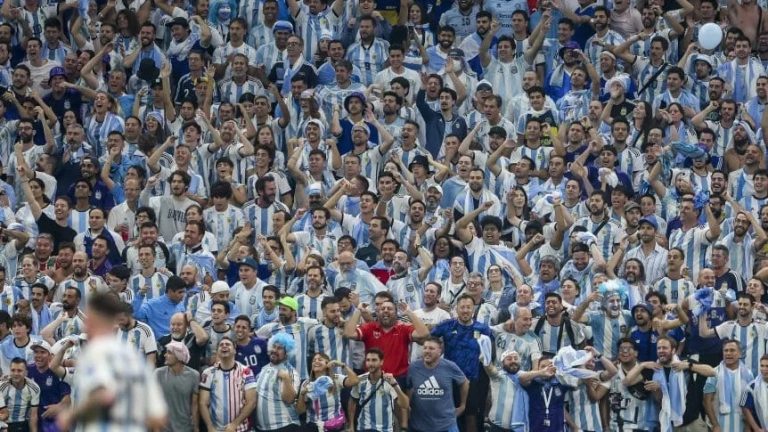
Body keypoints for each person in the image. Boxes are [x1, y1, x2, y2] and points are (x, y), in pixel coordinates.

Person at [56, 293, 168, 431]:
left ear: (92, 320)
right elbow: (158, 416)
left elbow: (103, 395)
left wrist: (71, 414)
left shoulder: (96, 352)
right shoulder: (135, 358)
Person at [407, 336, 469, 432]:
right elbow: (409, 387)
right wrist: (408, 406)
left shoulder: (450, 366)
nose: (427, 351)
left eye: (431, 348)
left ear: (440, 351)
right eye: (425, 348)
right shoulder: (413, 367)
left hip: (446, 425)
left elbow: (464, 382)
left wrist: (463, 405)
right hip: (419, 426)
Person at [199, 337, 257, 432]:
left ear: (234, 351)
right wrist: (209, 427)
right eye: (221, 345)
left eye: (228, 344)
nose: (224, 346)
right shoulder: (208, 373)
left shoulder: (246, 371)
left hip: (240, 429)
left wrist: (234, 424)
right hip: (216, 429)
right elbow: (203, 403)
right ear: (217, 351)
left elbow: (252, 402)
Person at [348, 348, 409, 432]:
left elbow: (405, 405)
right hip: (364, 428)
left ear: (381, 362)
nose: (370, 363)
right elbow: (352, 401)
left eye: (374, 360)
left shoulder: (389, 381)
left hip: (385, 429)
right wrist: (351, 425)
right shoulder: (360, 380)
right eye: (368, 360)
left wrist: (395, 385)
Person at [254, 333, 301, 432]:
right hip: (261, 428)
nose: (275, 350)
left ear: (287, 353)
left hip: (284, 427)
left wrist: (286, 378)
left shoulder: (291, 372)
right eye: (274, 346)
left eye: (279, 348)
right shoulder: (264, 369)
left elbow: (289, 400)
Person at [154, 341, 200, 432]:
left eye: (169, 353)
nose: (165, 355)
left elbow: (194, 405)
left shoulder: (194, 375)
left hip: (185, 428)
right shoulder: (158, 374)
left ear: (179, 356)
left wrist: (196, 428)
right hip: (164, 428)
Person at [0, 357, 40, 432]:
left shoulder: (34, 388)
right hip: (4, 424)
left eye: (19, 370)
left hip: (22, 424)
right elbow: (2, 414)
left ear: (26, 372)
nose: (16, 373)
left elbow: (33, 416)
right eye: (13, 370)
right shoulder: (2, 386)